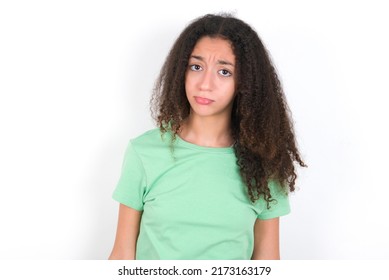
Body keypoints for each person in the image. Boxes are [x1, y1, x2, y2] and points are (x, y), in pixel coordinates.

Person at [109, 13, 306, 260]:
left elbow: (267, 264)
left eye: (224, 72)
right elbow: (122, 256)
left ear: (246, 83)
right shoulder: (144, 152)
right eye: (196, 67)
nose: (205, 84)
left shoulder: (264, 162)